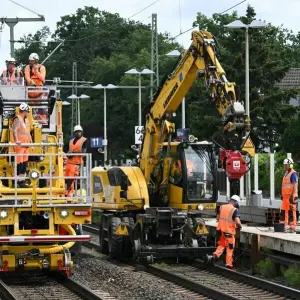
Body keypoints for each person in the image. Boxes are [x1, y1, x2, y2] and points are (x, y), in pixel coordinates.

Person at [204, 195, 242, 269]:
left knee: (221, 245)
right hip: (229, 232)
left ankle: (213, 256)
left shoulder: (222, 207)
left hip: (220, 231)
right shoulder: (234, 210)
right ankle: (229, 265)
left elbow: (218, 218)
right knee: (230, 248)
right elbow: (238, 222)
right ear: (236, 202)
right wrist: (239, 226)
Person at [12, 103, 33, 188]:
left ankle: (22, 181)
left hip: (26, 146)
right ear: (24, 111)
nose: (28, 113)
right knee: (19, 164)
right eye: (27, 111)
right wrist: (16, 140)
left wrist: (31, 144)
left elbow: (28, 133)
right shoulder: (17, 119)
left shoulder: (26, 121)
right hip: (20, 146)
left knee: (24, 165)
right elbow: (14, 130)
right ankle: (15, 182)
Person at [65, 125, 87, 197]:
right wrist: (68, 153)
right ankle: (67, 192)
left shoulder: (84, 140)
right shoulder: (71, 141)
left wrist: (73, 154)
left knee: (72, 179)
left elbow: (83, 153)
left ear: (81, 132)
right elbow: (69, 150)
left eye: (79, 132)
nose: (78, 133)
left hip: (76, 163)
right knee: (66, 178)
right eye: (76, 132)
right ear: (74, 132)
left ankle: (68, 192)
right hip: (69, 162)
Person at [280, 158, 298, 233]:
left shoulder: (293, 173)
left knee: (291, 211)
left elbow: (295, 185)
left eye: (286, 165)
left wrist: (293, 194)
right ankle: (283, 226)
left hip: (290, 196)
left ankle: (292, 227)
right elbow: (284, 185)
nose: (285, 166)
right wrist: (282, 194)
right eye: (284, 165)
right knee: (284, 211)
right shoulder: (286, 173)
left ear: (290, 165)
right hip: (285, 196)